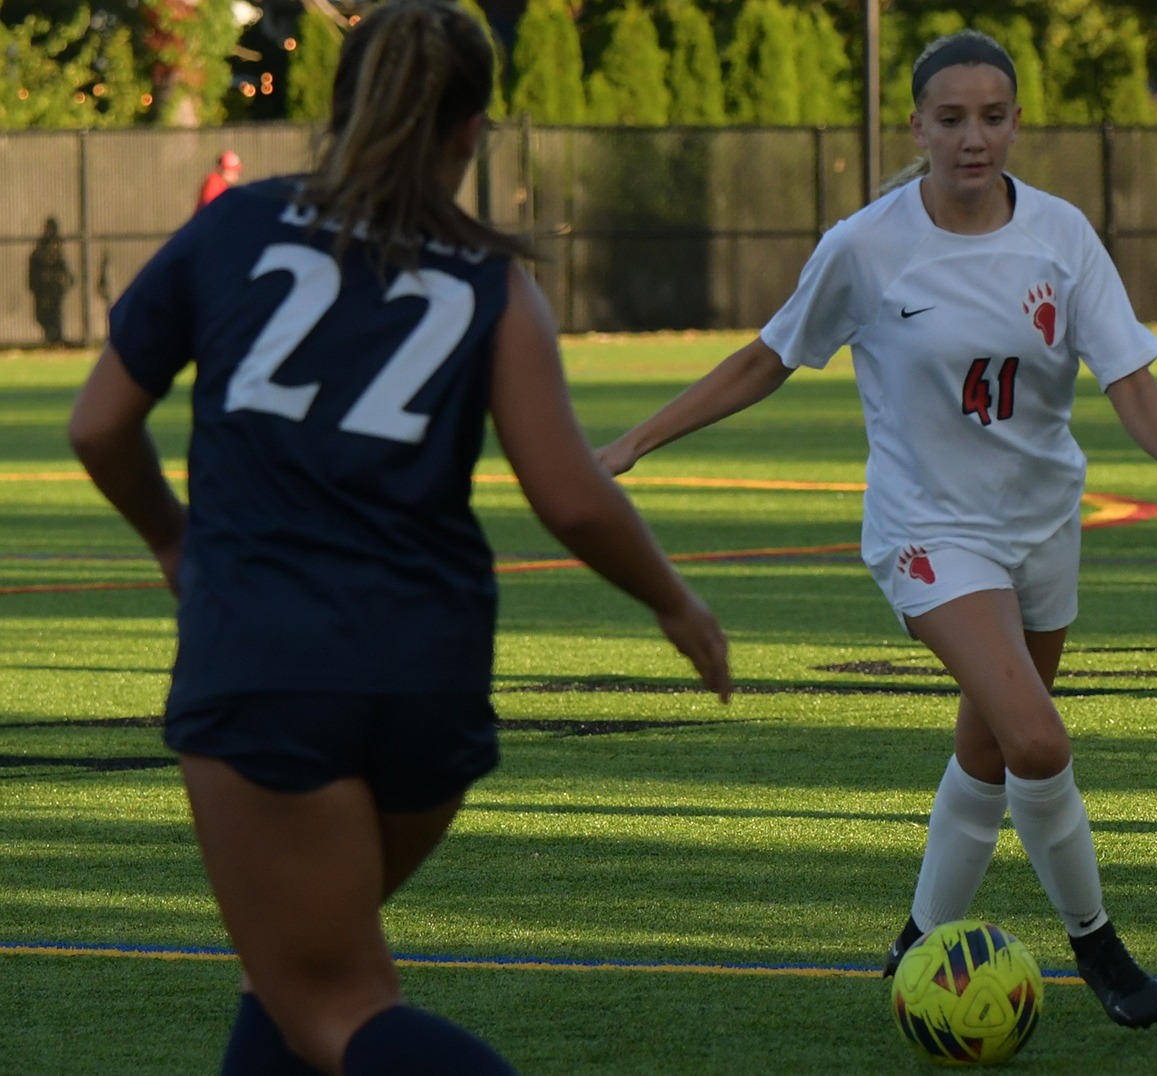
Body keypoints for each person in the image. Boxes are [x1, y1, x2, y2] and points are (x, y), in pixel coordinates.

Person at [67, 2, 731, 1073]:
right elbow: (569, 493)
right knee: (288, 977)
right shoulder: (491, 278)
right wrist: (673, 600)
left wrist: (172, 539)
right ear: (473, 133)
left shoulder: (233, 227)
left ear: (336, 107)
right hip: (430, 677)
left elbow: (98, 425)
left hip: (270, 662)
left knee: (331, 1000)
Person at [597, 28, 1157, 1030]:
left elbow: (1127, 374)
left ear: (1017, 123)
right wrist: (636, 439)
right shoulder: (866, 245)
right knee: (1036, 736)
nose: (973, 138)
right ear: (918, 126)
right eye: (951, 119)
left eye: (993, 117)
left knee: (989, 746)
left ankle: (916, 941)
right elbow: (765, 358)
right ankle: (1097, 940)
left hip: (1043, 524)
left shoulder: (1063, 235)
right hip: (929, 529)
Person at [28, 216, 75, 345]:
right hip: (43, 288)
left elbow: (62, 265)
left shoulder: (57, 247)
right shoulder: (41, 249)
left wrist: (66, 280)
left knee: (55, 315)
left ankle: (56, 339)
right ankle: (50, 339)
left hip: (54, 289)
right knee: (43, 316)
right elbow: (36, 268)